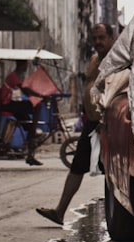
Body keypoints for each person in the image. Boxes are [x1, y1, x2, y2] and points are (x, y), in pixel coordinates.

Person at [37, 23, 116, 225]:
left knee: (112, 172)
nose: (97, 42)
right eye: (95, 39)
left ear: (111, 38)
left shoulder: (117, 60)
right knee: (77, 167)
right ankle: (60, 212)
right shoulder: (94, 59)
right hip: (92, 124)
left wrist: (105, 118)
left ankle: (119, 219)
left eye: (101, 38)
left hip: (107, 125)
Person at [0, 59, 44, 166]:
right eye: (26, 65)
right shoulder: (13, 76)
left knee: (27, 126)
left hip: (12, 103)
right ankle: (33, 128)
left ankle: (30, 155)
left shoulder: (16, 76)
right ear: (22, 65)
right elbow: (25, 90)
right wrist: (40, 96)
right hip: (8, 104)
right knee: (37, 105)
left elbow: (25, 89)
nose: (26, 67)